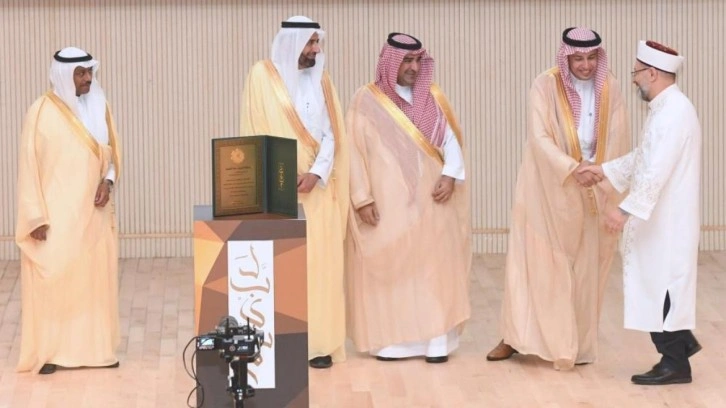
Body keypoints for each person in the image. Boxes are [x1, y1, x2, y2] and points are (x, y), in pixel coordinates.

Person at [486, 27, 631, 370]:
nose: (585, 65)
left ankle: (573, 343)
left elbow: (619, 135)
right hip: (548, 186)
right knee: (534, 262)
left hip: (593, 186)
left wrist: (600, 171)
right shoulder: (545, 84)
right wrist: (570, 167)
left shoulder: (610, 86)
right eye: (578, 58)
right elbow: (539, 137)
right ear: (566, 58)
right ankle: (516, 337)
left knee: (585, 269)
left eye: (591, 58)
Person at [580, 40, 702, 385]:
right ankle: (682, 345)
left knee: (663, 288)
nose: (634, 79)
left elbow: (656, 171)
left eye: (636, 73)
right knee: (655, 285)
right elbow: (643, 156)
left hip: (668, 222)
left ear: (651, 73)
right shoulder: (665, 109)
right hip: (658, 220)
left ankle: (675, 363)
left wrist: (623, 210)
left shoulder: (674, 112)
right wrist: (604, 169)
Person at [345, 33, 471, 364]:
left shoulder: (432, 97)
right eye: (406, 61)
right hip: (387, 205)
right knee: (391, 266)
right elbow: (353, 153)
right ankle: (393, 342)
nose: (413, 68)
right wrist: (361, 198)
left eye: (417, 61)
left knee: (434, 269)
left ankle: (436, 340)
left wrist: (450, 175)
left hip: (433, 200)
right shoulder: (365, 100)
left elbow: (451, 141)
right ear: (389, 62)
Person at [240, 16, 349, 369]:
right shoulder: (261, 76)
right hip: (279, 192)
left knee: (319, 268)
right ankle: (279, 345)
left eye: (318, 42)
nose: (316, 50)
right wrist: (280, 178)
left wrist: (317, 173)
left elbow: (333, 133)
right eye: (310, 42)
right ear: (292, 43)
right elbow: (254, 130)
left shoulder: (323, 80)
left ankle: (318, 345)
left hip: (317, 191)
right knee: (281, 267)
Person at [16, 47, 122, 375]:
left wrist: (108, 182)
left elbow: (111, 155)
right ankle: (51, 353)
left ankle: (97, 351)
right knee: (54, 281)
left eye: (89, 72)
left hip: (93, 215)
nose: (87, 78)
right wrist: (35, 217)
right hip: (56, 218)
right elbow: (28, 167)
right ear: (64, 75)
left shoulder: (100, 106)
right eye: (80, 73)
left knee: (94, 282)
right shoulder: (40, 112)